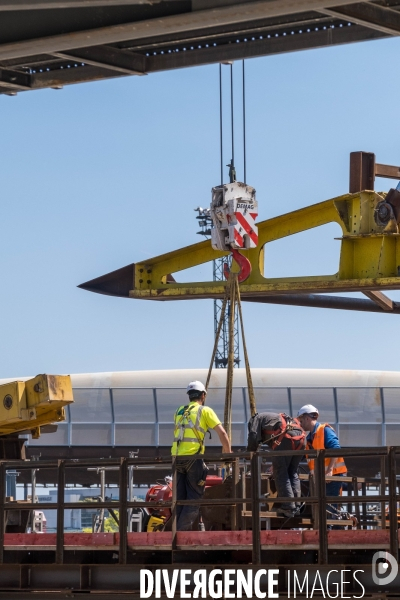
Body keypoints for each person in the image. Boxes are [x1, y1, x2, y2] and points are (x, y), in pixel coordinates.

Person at [171, 380, 231, 531]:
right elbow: (222, 433)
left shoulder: (179, 411)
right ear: (203, 395)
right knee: (194, 499)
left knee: (179, 500)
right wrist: (228, 452)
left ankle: (174, 533)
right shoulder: (205, 411)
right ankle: (180, 533)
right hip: (193, 458)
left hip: (176, 459)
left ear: (189, 396)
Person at [247, 411, 306, 518]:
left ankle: (288, 506)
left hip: (286, 438)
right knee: (292, 472)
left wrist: (249, 453)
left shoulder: (256, 419)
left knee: (281, 473)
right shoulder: (271, 417)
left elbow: (253, 436)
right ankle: (296, 506)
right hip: (301, 439)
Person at [297, 404, 347, 523]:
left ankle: (331, 535)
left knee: (329, 510)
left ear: (307, 418)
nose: (300, 424)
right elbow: (299, 456)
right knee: (324, 510)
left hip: (332, 477)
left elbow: (335, 449)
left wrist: (329, 471)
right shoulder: (310, 438)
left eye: (301, 420)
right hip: (321, 480)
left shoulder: (325, 430)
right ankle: (328, 534)